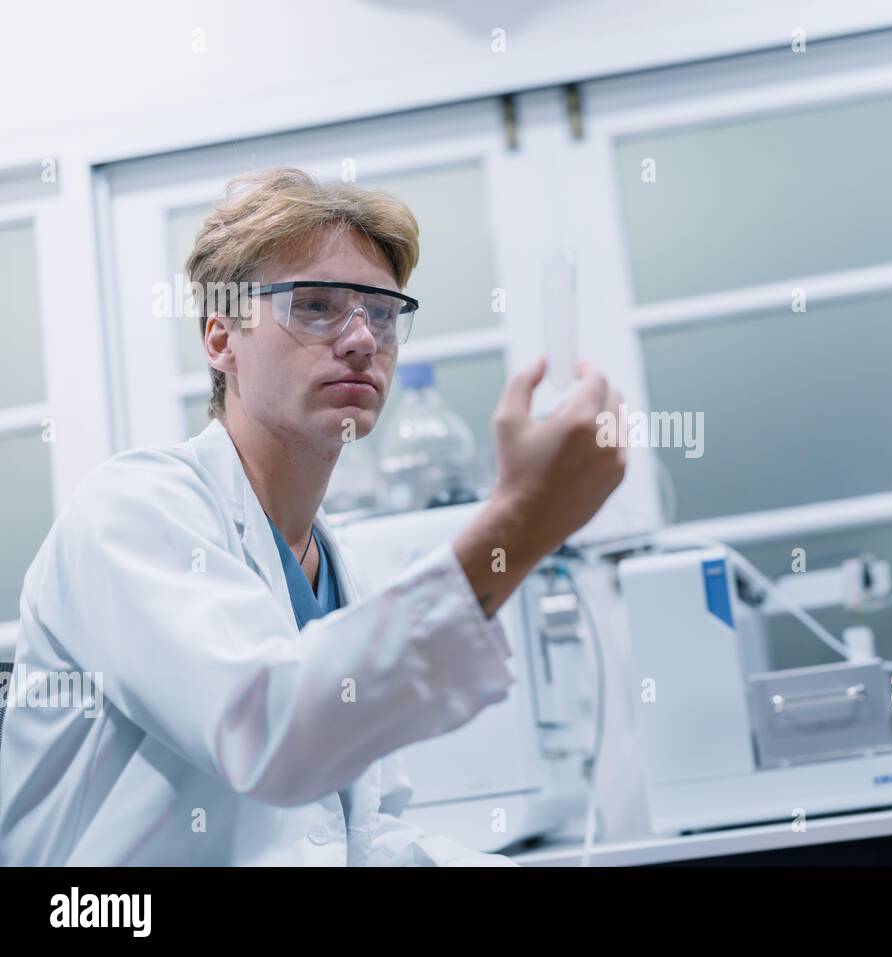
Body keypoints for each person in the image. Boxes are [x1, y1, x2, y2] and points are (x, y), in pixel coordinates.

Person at [0, 167, 625, 865]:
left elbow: (363, 833)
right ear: (220, 338)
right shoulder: (132, 511)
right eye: (316, 305)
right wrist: (523, 522)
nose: (362, 338)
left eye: (382, 312)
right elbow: (268, 728)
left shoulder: (336, 563)